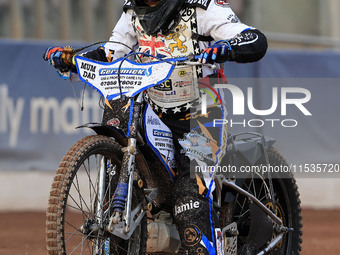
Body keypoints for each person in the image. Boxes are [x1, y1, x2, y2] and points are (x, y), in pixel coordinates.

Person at [44, 0, 267, 254]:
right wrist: (73, 60)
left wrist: (226, 47)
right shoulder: (132, 10)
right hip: (153, 108)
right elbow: (113, 52)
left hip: (201, 112)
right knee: (117, 110)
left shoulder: (202, 7)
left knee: (189, 199)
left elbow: (254, 39)